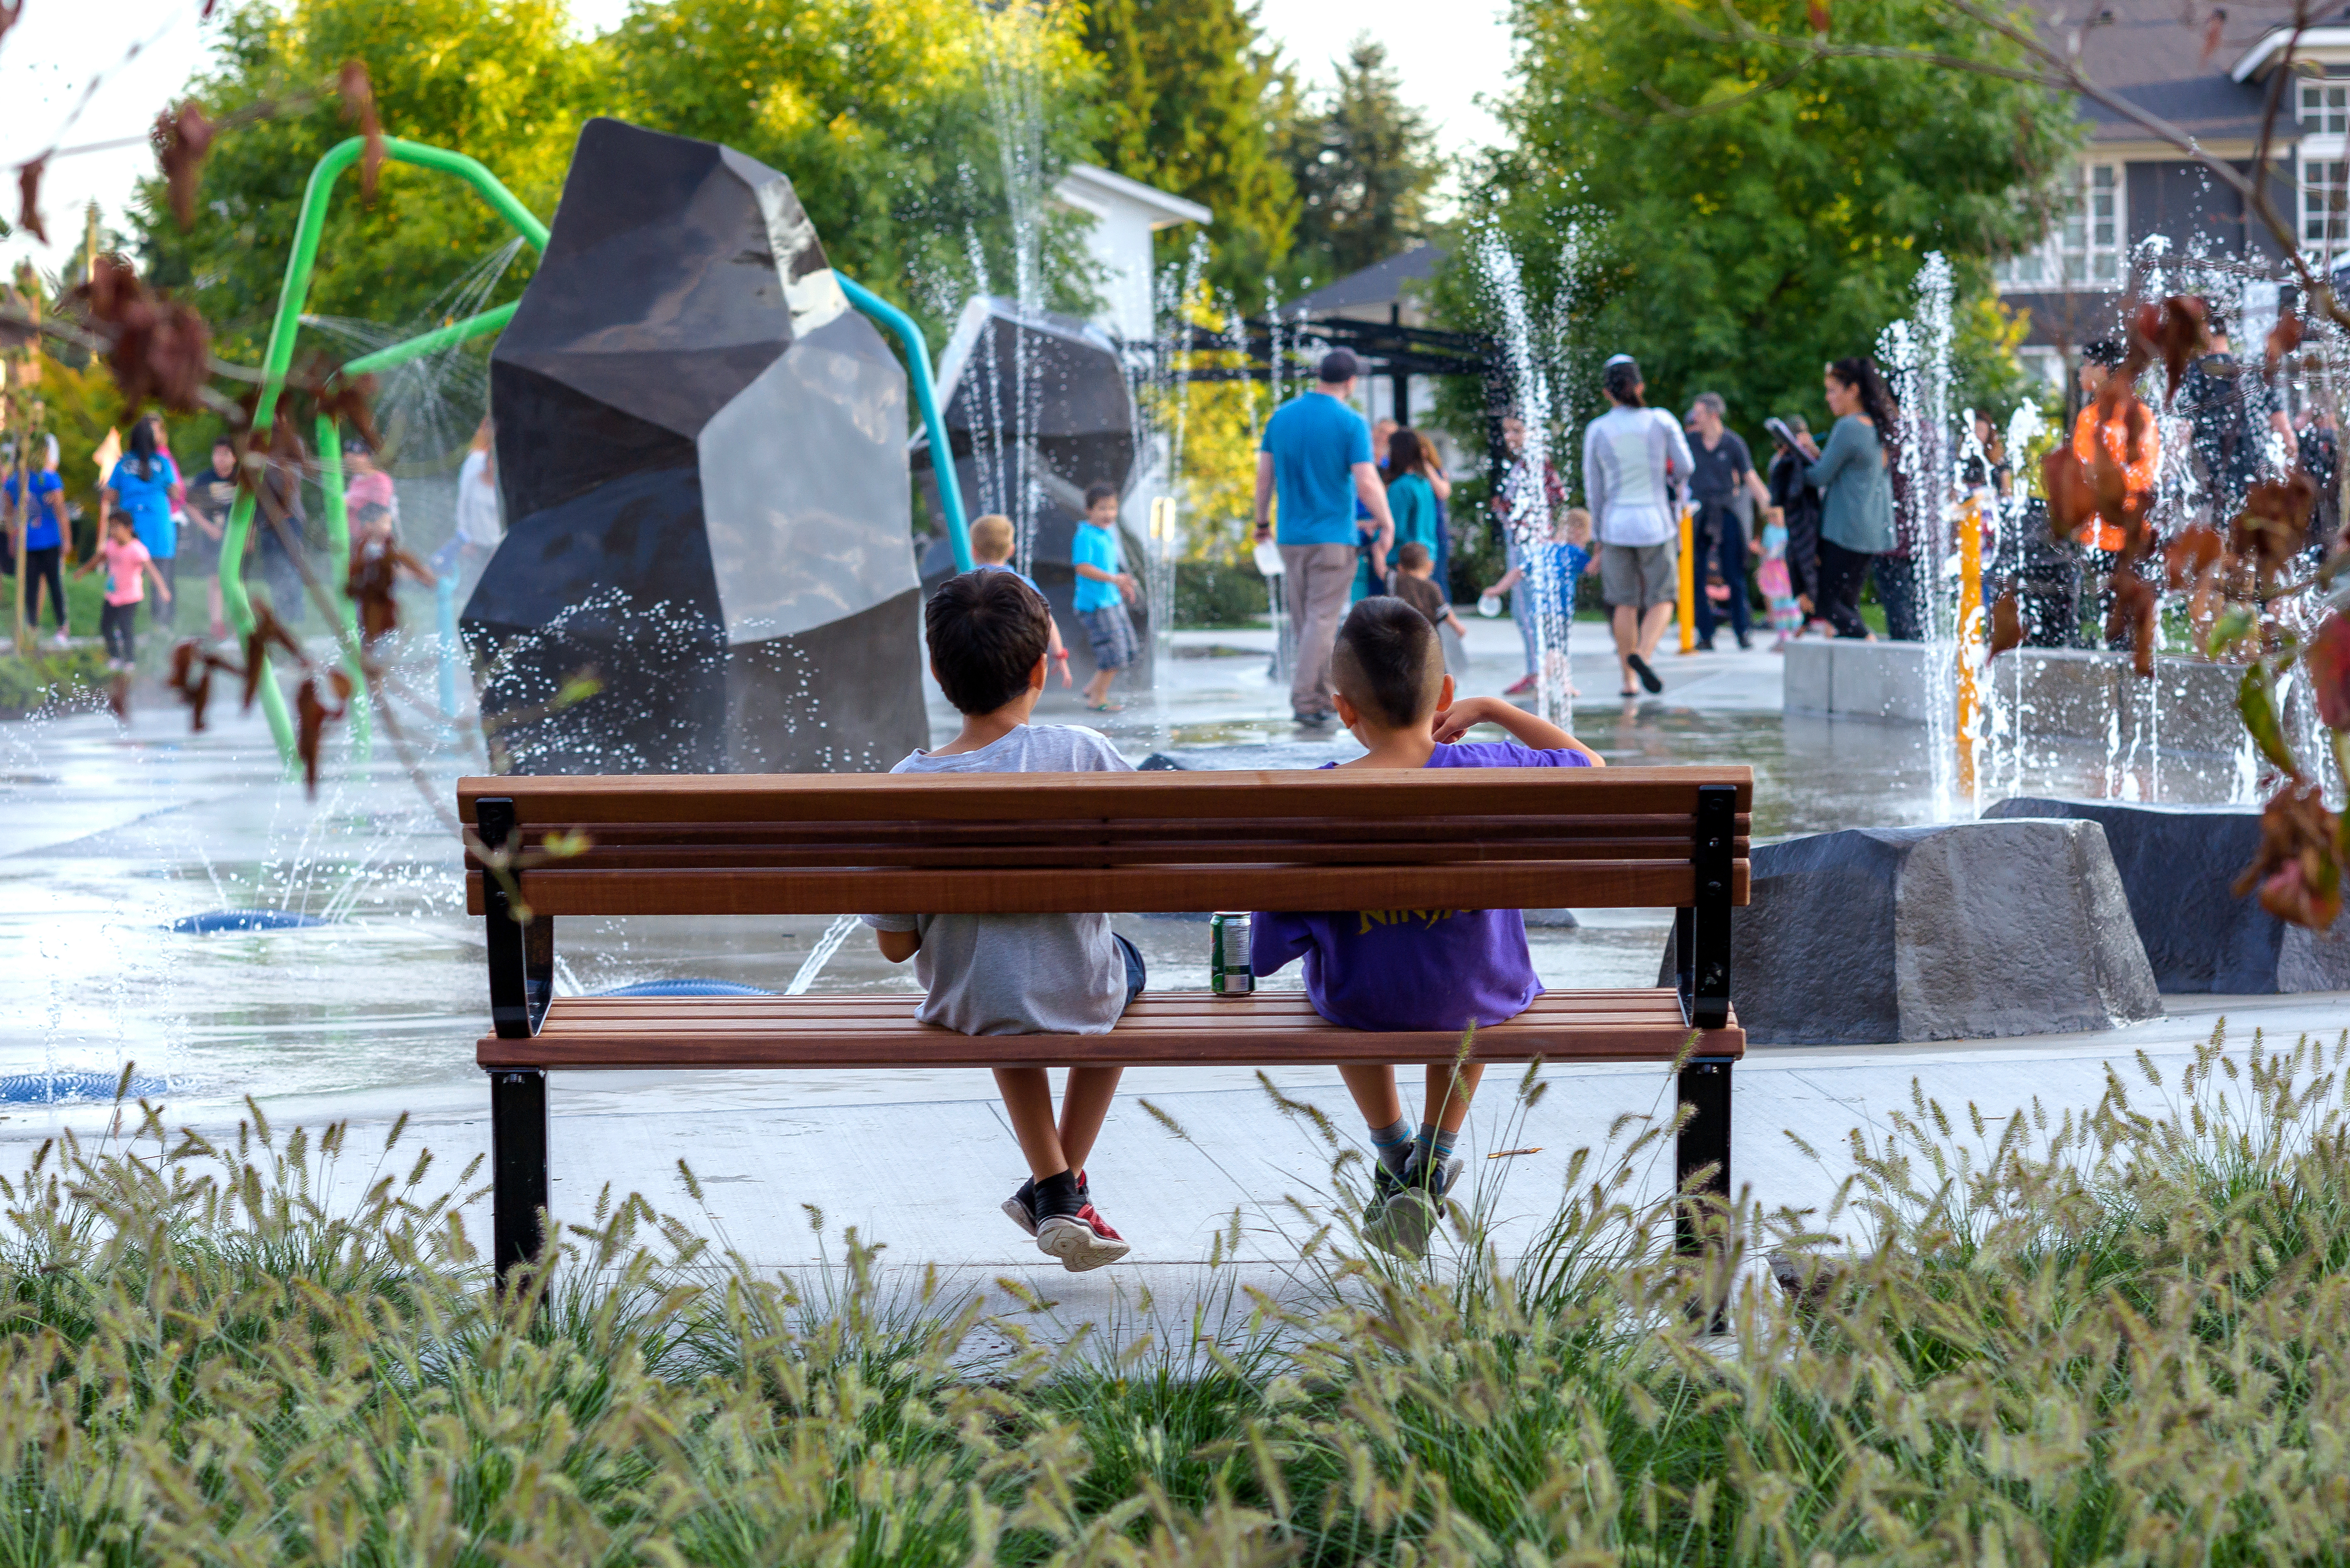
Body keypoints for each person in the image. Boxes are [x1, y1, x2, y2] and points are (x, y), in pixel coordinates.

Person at [1248, 597, 1603, 1259]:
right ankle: (1431, 1160)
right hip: (1479, 994)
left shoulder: (1314, 798)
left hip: (1360, 1002)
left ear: (1343, 707)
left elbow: (1271, 946)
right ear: (1443, 692)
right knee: (1460, 974)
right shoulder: (1493, 768)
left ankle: (1392, 1153)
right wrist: (1495, 709)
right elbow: (1589, 768)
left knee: (1336, 966)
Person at [861, 569, 1142, 1271]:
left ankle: (1054, 1187)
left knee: (1001, 985)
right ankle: (1057, 1188)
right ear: (1040, 669)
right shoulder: (1081, 751)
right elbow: (1138, 871)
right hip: (1080, 990)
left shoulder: (905, 784)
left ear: (935, 671)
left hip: (966, 1001)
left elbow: (896, 947)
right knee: (1123, 976)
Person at [1255, 348, 1399, 727]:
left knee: (1307, 622)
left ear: (1319, 374)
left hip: (1290, 535)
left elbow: (1264, 477)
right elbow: (1367, 481)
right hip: (1333, 536)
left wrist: (1261, 523)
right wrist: (1387, 523)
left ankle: (1319, 697)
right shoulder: (1350, 422)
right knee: (1321, 620)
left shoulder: (1281, 417)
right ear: (1350, 382)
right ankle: (1305, 700)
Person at [1583, 354, 1693, 698]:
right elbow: (1686, 466)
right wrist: (1670, 479)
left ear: (1607, 393)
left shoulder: (1597, 429)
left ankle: (1628, 681)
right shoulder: (1661, 420)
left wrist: (1598, 536)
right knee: (1663, 597)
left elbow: (1594, 487)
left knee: (1623, 603)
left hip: (1615, 525)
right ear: (1640, 386)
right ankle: (1642, 656)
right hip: (1655, 522)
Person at [1796, 356, 1898, 640]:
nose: (1828, 398)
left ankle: (1868, 640)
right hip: (1870, 529)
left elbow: (1818, 478)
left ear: (1853, 390)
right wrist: (1816, 454)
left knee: (1825, 602)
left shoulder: (1848, 426)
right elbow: (1846, 469)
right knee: (1848, 602)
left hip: (1845, 529)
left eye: (1832, 390)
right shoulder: (1874, 425)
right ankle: (1859, 652)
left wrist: (1793, 457)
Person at [2071, 339, 2160, 649]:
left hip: (2120, 537)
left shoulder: (2133, 415)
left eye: (2086, 364)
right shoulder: (2095, 417)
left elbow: (2144, 474)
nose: (2080, 371)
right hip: (2103, 536)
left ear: (2103, 369)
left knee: (2116, 629)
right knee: (2107, 631)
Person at [1684, 392, 1773, 651]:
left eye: (1698, 413)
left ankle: (1743, 631)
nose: (1694, 418)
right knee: (1697, 574)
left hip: (1725, 511)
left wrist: (1769, 504)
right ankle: (1705, 634)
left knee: (1734, 574)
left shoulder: (1733, 443)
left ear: (1713, 415)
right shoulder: (1690, 441)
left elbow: (1750, 477)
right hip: (1697, 512)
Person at [1482, 505, 1592, 695]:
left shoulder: (1545, 550)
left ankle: (1565, 685)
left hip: (1540, 609)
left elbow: (1518, 572)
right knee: (1556, 648)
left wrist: (1498, 589)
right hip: (1560, 610)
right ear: (1579, 532)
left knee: (1557, 647)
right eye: (1587, 537)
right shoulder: (1574, 552)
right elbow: (1592, 570)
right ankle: (1541, 682)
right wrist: (1601, 551)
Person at [1491, 413, 1563, 695]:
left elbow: (1556, 497)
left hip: (1529, 544)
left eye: (1517, 431)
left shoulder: (1536, 463)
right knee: (1525, 611)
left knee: (1527, 610)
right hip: (1523, 540)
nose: (1511, 437)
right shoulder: (1525, 464)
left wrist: (1542, 529)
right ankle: (1539, 669)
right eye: (1508, 431)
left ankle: (1537, 672)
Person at [101, 416, 186, 629]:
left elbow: (110, 496)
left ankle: (123, 627)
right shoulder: (163, 462)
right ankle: (162, 628)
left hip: (130, 531)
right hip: (159, 527)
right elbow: (176, 493)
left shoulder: (123, 464)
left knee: (125, 578)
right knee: (162, 579)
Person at [969, 512, 1071, 684]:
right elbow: (1047, 620)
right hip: (1014, 658)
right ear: (1011, 551)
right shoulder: (1024, 584)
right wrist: (1060, 656)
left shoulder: (965, 583)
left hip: (977, 659)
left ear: (973, 551)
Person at [1071, 482, 1139, 712]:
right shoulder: (1085, 536)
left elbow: (1108, 568)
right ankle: (1098, 698)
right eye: (1102, 508)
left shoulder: (1106, 534)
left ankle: (1092, 688)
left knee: (1128, 650)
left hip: (1111, 601)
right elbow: (1082, 568)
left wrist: (1121, 585)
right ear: (1089, 511)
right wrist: (1114, 580)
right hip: (1096, 605)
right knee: (1115, 653)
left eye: (1112, 508)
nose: (1108, 514)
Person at [76, 513, 171, 670]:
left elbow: (152, 571)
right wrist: (83, 571)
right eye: (111, 527)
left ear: (129, 529)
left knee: (126, 627)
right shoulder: (111, 545)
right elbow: (99, 559)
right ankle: (115, 656)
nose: (112, 531)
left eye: (116, 527)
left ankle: (130, 660)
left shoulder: (137, 549)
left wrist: (163, 589)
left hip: (130, 596)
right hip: (113, 595)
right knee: (105, 626)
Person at [1362, 428, 1443, 601]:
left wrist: (1376, 540)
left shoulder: (1401, 487)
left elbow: (1396, 528)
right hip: (1426, 555)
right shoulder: (1424, 483)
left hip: (1403, 560)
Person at [6, 434, 69, 645]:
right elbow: (9, 513)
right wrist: (12, 539)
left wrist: (67, 540)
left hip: (50, 541)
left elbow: (61, 512)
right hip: (27, 544)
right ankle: (32, 628)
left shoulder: (49, 479)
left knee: (54, 585)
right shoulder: (14, 483)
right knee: (30, 587)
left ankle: (63, 626)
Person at [1764, 415, 1822, 632]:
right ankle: (1806, 616)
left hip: (1811, 520)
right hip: (1795, 522)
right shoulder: (1782, 460)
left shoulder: (1810, 455)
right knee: (1796, 562)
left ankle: (1816, 619)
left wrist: (1812, 452)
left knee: (1810, 565)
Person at [183, 438, 241, 639]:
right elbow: (190, 506)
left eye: (226, 454)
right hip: (212, 536)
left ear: (235, 457)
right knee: (215, 579)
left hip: (236, 535)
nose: (220, 459)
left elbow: (252, 506)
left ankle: (237, 620)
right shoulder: (204, 479)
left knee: (237, 579)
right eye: (217, 453)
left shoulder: (241, 478)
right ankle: (217, 624)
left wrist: (249, 535)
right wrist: (208, 527)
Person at [1388, 541, 1468, 670]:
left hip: (1400, 643)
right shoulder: (1432, 588)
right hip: (1429, 645)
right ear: (1430, 566)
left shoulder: (1394, 582)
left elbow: (1380, 567)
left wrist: (1378, 548)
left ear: (1400, 567)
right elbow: (1445, 613)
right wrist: (1459, 628)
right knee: (1436, 677)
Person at [1755, 507, 1803, 649]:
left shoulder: (1790, 530)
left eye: (1775, 516)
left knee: (1791, 603)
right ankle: (1783, 637)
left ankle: (1797, 633)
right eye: (1769, 516)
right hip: (1773, 573)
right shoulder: (1769, 530)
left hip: (1786, 572)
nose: (1772, 519)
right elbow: (1766, 550)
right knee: (1778, 606)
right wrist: (1759, 551)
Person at [343, 439, 397, 526]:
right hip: (356, 535)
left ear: (365, 456)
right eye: (348, 459)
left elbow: (378, 512)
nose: (350, 463)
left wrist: (349, 505)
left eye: (353, 459)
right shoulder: (356, 480)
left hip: (375, 535)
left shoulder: (381, 480)